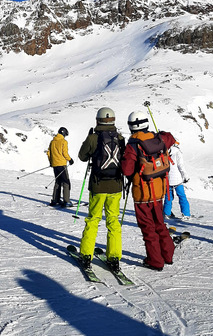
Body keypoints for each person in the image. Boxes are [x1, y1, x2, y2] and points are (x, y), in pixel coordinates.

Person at [121, 110, 176, 271]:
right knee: (160, 224)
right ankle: (167, 255)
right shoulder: (159, 138)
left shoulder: (133, 145)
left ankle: (155, 261)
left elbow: (127, 170)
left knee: (148, 228)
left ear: (131, 126)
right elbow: (170, 138)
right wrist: (159, 134)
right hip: (159, 191)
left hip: (142, 193)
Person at [78, 107, 125, 271]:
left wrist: (89, 140)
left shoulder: (93, 137)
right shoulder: (120, 138)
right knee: (113, 221)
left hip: (98, 186)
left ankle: (86, 255)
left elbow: (82, 156)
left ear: (97, 120)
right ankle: (114, 257)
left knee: (93, 219)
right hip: (116, 186)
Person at [47, 127, 74, 207]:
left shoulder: (52, 141)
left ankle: (55, 200)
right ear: (63, 134)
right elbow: (64, 153)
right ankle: (67, 201)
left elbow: (49, 153)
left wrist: (51, 162)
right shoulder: (63, 142)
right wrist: (70, 160)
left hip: (55, 165)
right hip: (62, 165)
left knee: (58, 182)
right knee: (66, 182)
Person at [163, 142, 191, 220]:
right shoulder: (178, 152)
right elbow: (181, 166)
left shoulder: (163, 152)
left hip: (167, 179)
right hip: (177, 180)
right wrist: (185, 176)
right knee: (182, 196)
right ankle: (186, 214)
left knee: (168, 197)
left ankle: (167, 213)